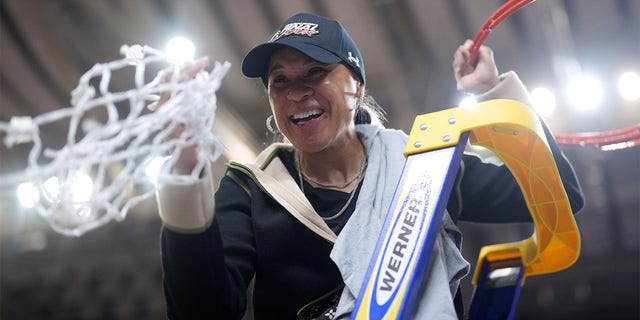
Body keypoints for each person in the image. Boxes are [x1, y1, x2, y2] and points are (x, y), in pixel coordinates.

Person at [155, 12, 584, 320]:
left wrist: (495, 93)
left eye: (315, 72)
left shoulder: (424, 165)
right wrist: (182, 169)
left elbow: (560, 194)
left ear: (356, 85)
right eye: (279, 80)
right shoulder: (251, 189)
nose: (295, 92)